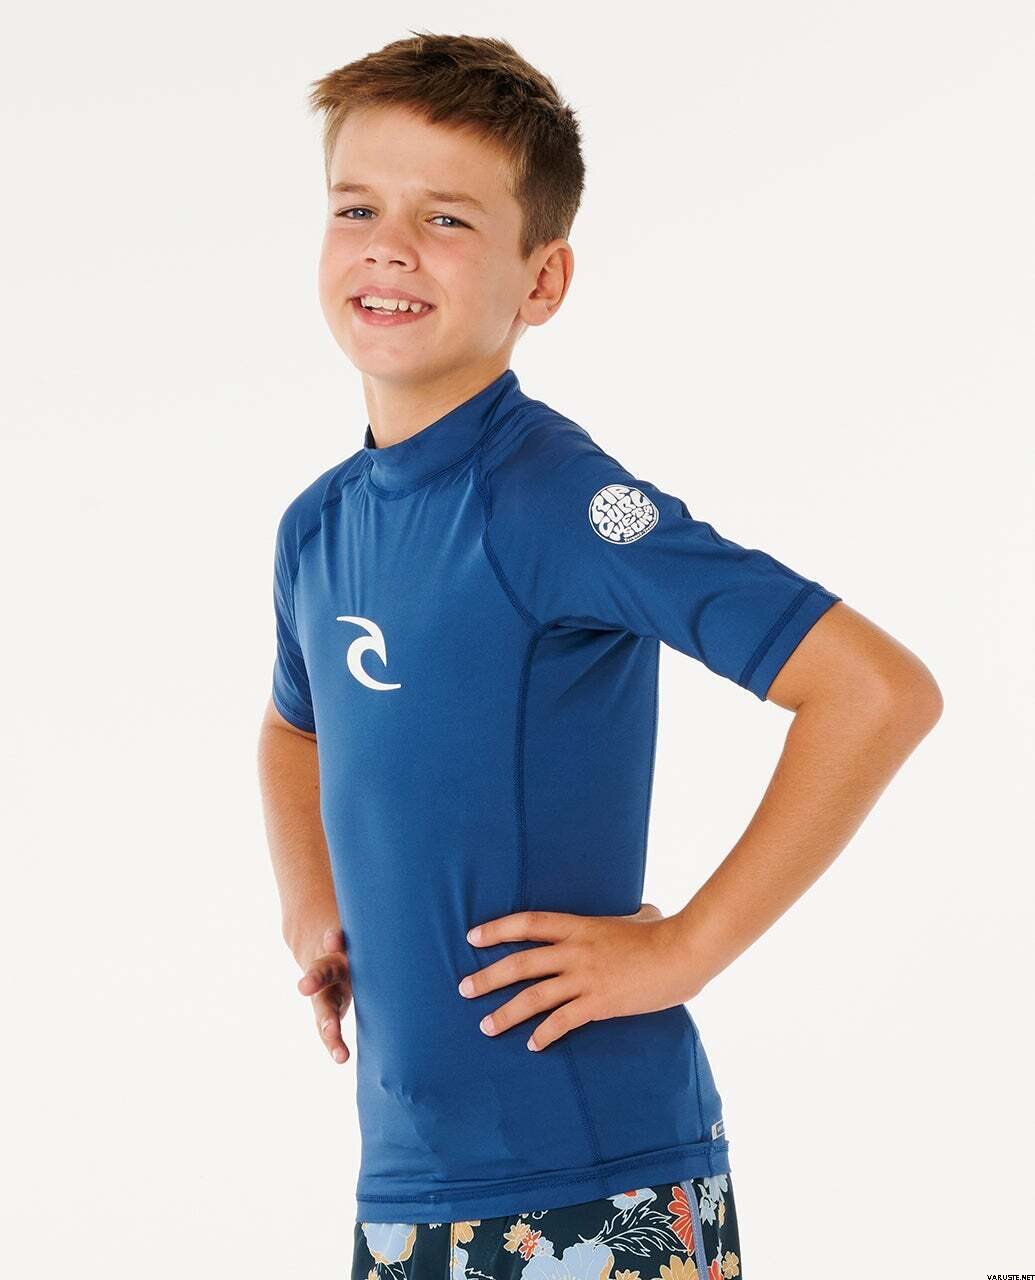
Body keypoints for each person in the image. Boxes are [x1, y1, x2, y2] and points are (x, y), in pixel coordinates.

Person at [256, 32, 943, 1280]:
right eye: (356, 207)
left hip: (592, 1177)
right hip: (407, 1179)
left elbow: (874, 689)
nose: (389, 246)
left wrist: (685, 948)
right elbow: (294, 725)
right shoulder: (318, 529)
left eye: (446, 217)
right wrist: (318, 906)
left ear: (544, 277)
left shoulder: (556, 502)